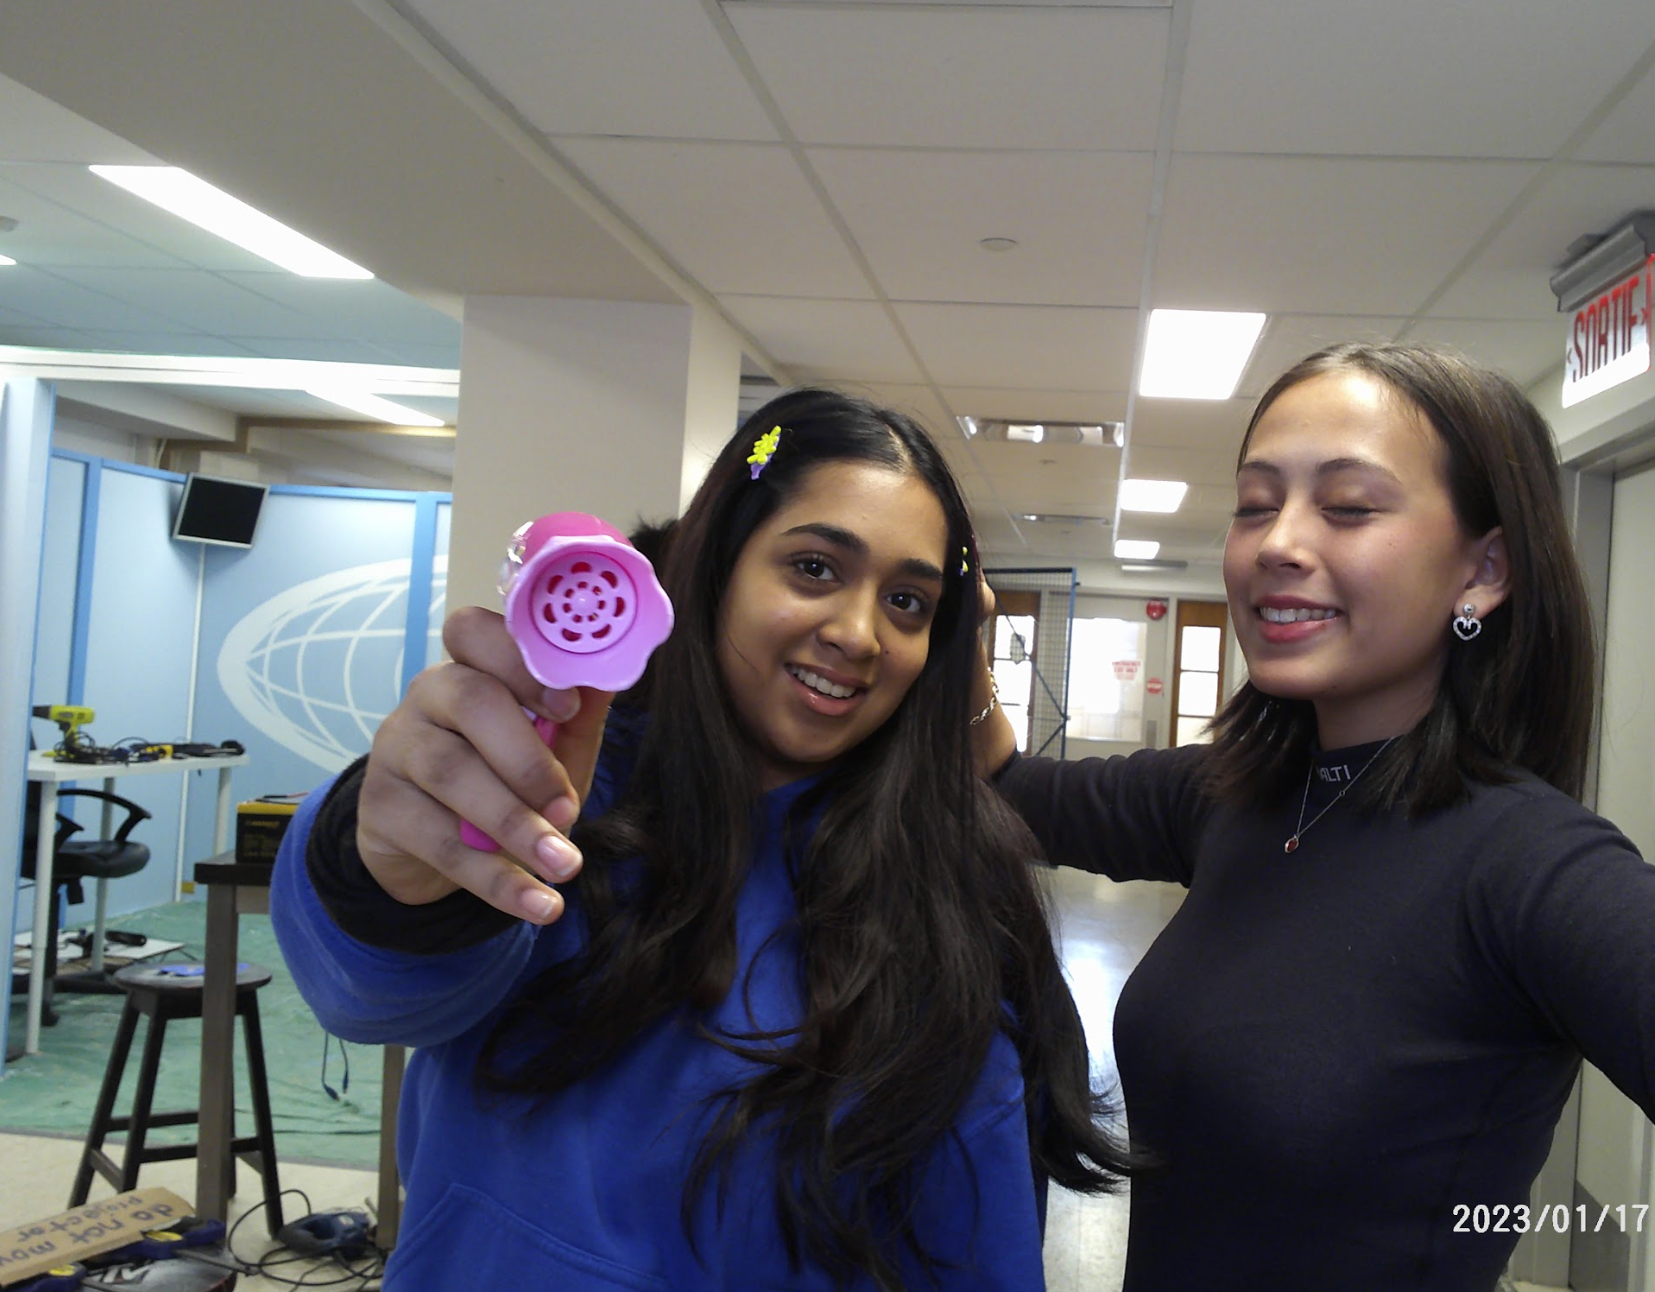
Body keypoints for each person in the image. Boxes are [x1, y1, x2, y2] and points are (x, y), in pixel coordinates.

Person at [977, 343, 1655, 1291]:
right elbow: (1007, 792)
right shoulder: (1238, 796)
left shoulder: (1533, 868)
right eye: (1256, 503)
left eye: (1347, 506)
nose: (1277, 543)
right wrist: (949, 628)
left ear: (1485, 570)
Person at [270, 389, 1130, 1291]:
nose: (858, 633)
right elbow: (376, 994)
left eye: (909, 601)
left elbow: (977, 1241)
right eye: (812, 568)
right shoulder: (553, 798)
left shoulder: (952, 887)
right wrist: (382, 863)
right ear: (715, 564)